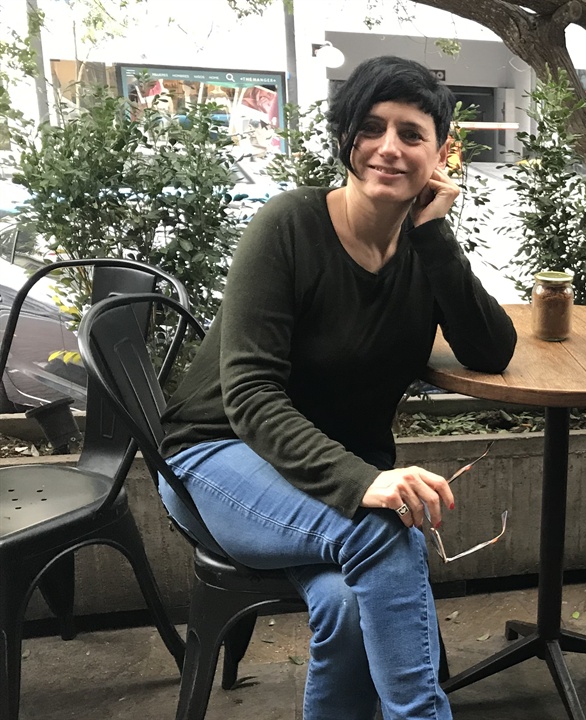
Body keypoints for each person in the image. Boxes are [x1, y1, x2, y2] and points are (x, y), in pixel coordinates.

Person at [159, 55, 517, 720]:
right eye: (370, 127)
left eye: (411, 134)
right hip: (217, 458)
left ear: (442, 154)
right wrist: (361, 482)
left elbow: (491, 351)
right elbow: (250, 396)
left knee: (351, 605)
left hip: (321, 485)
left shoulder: (422, 250)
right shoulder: (289, 225)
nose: (388, 147)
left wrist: (435, 235)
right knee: (386, 530)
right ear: (346, 136)